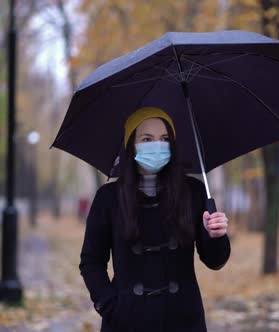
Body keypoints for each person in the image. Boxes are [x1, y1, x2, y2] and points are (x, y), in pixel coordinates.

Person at [79, 106, 231, 332]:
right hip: (126, 321)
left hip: (184, 320)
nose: (157, 145)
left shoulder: (195, 192)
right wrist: (111, 306)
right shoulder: (108, 198)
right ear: (132, 144)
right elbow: (91, 262)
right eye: (147, 138)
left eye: (165, 138)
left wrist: (216, 236)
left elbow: (214, 260)